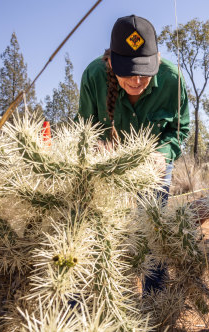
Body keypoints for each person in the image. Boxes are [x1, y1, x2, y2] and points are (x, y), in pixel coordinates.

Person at [77, 15, 190, 294]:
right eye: (128, 72)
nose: (137, 80)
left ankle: (156, 301)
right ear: (112, 62)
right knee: (105, 233)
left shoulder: (172, 79)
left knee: (154, 231)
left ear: (157, 57)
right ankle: (108, 296)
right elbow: (84, 130)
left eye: (144, 70)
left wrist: (163, 154)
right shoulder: (93, 76)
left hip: (154, 166)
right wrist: (95, 150)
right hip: (107, 168)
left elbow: (179, 129)